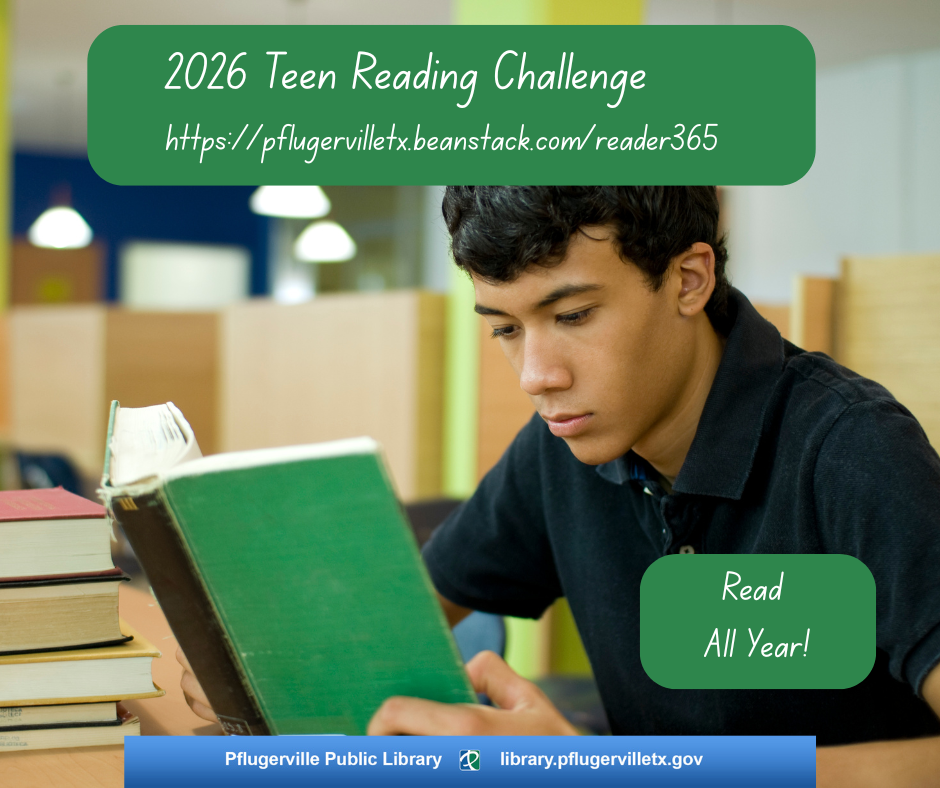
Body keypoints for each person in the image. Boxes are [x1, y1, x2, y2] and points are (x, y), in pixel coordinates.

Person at [180, 186, 940, 784]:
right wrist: (252, 660)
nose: (536, 377)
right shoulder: (560, 448)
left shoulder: (854, 450)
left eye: (573, 314)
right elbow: (400, 616)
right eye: (506, 329)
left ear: (689, 279)